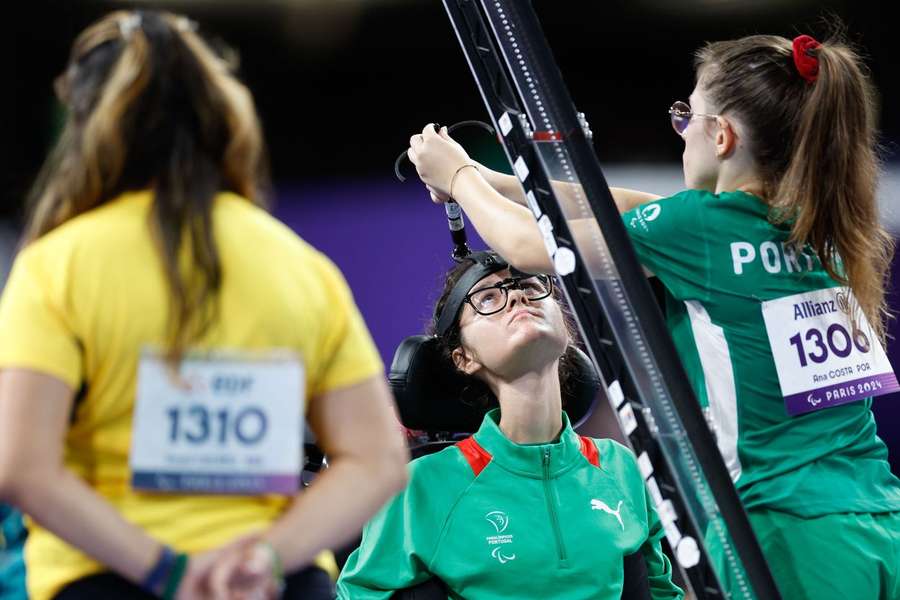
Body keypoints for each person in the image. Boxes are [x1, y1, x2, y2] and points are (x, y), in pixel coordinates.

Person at [406, 29, 900, 599]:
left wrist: (458, 178)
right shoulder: (821, 229)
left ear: (721, 136)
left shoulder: (703, 231)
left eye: (687, 116)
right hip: (876, 522)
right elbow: (628, 209)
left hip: (781, 535)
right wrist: (493, 181)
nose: (682, 132)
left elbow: (528, 249)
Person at [0, 10, 408, 600]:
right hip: (275, 585)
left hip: (107, 580)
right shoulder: (302, 266)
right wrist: (265, 559)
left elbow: (21, 467)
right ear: (223, 124)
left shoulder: (58, 264)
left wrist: (171, 572)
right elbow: (376, 460)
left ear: (89, 128)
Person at [336, 251, 683, 599]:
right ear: (464, 358)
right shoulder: (422, 484)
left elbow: (661, 593)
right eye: (487, 297)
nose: (517, 296)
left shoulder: (620, 466)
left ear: (566, 330)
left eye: (531, 286)